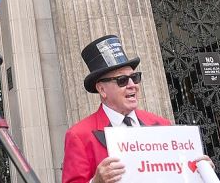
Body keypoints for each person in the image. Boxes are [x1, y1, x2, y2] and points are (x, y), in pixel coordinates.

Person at [62, 35, 173, 183]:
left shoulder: (162, 125)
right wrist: (96, 182)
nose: (132, 84)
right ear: (102, 89)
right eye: (122, 80)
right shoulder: (79, 135)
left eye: (135, 77)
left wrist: (199, 172)